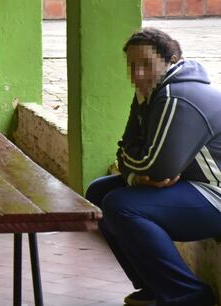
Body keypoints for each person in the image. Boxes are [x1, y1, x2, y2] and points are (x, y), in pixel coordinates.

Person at [85, 28, 221, 306]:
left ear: (172, 61)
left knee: (121, 205)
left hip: (213, 196)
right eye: (132, 66)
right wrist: (136, 174)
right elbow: (125, 148)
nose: (137, 74)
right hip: (189, 186)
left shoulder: (176, 95)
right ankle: (152, 287)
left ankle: (188, 295)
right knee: (98, 193)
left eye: (147, 64)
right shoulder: (149, 93)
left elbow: (158, 169)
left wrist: (135, 167)